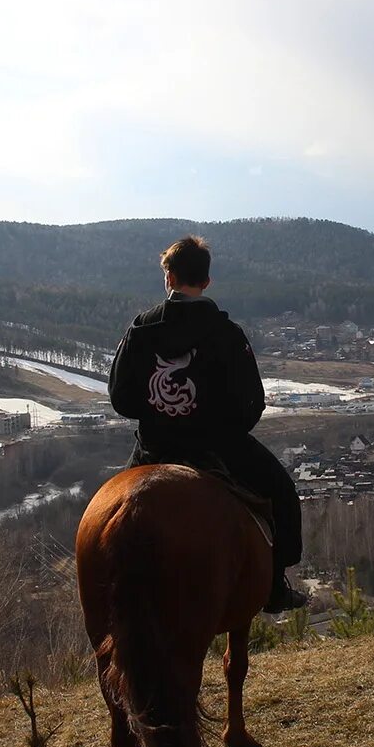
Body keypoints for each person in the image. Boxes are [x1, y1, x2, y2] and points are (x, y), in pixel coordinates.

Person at [109, 236, 307, 613]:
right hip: (219, 449)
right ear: (207, 282)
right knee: (282, 493)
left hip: (154, 447)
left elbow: (120, 396)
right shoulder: (227, 334)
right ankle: (275, 586)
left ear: (168, 277)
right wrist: (219, 427)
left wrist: (159, 413)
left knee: (115, 515)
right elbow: (252, 403)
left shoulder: (140, 329)